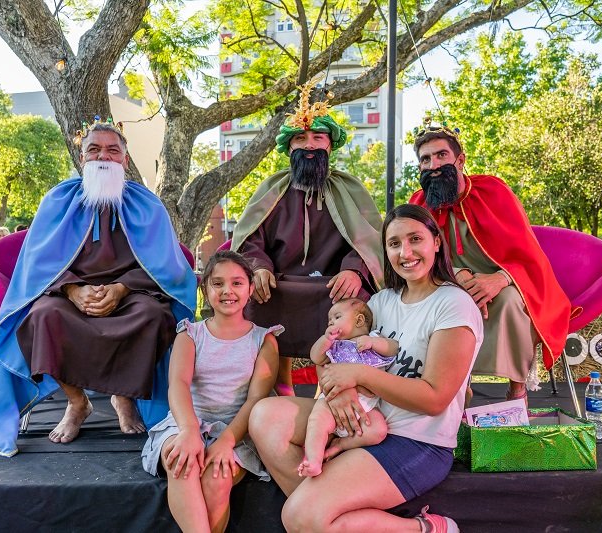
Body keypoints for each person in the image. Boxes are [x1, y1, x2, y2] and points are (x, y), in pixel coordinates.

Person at [250, 204, 483, 532]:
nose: (406, 252)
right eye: (394, 243)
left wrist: (358, 375)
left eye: (415, 239)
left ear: (436, 243)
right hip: (361, 421)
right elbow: (333, 350)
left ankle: (423, 529)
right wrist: (339, 389)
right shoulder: (380, 302)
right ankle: (326, 516)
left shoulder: (453, 305)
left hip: (415, 440)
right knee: (264, 416)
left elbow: (434, 398)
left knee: (300, 517)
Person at [0, 117, 197, 457]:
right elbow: (37, 266)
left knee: (154, 317)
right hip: (67, 298)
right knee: (42, 316)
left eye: (113, 150)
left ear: (125, 160)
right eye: (94, 149)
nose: (103, 157)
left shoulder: (148, 205)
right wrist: (72, 290)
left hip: (132, 297)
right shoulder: (57, 200)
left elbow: (168, 270)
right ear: (81, 157)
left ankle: (123, 396)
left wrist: (122, 289)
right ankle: (76, 402)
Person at [231, 79, 384, 396]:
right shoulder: (270, 189)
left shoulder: (350, 188)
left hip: (332, 284)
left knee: (355, 306)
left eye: (318, 138)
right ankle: (279, 383)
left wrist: (354, 269)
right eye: (301, 138)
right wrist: (259, 267)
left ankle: (331, 387)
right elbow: (249, 238)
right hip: (280, 282)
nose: (310, 145)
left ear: (330, 145)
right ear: (290, 148)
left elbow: (368, 239)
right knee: (258, 299)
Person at [409, 120, 571, 404]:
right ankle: (454, 388)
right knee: (446, 304)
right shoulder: (418, 204)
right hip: (445, 281)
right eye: (425, 159)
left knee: (509, 301)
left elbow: (528, 253)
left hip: (505, 279)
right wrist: (457, 276)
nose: (433, 165)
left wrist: (500, 278)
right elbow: (415, 257)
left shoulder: (492, 191)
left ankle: (516, 392)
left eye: (441, 155)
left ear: (460, 160)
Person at [141, 250, 280, 533]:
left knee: (216, 477)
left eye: (237, 283)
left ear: (251, 289)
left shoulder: (263, 340)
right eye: (217, 283)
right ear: (205, 289)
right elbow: (178, 384)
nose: (227, 291)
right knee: (183, 462)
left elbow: (256, 400)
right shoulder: (190, 334)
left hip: (236, 431)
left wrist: (227, 441)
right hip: (186, 422)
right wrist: (189, 431)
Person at [298, 298, 398, 478]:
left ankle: (341, 444)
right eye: (329, 320)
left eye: (336, 317)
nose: (331, 322)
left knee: (378, 431)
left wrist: (372, 343)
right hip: (332, 403)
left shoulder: (373, 338)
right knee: (317, 422)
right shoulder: (334, 346)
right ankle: (313, 460)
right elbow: (316, 357)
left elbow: (393, 348)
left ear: (359, 320)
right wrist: (326, 339)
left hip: (366, 408)